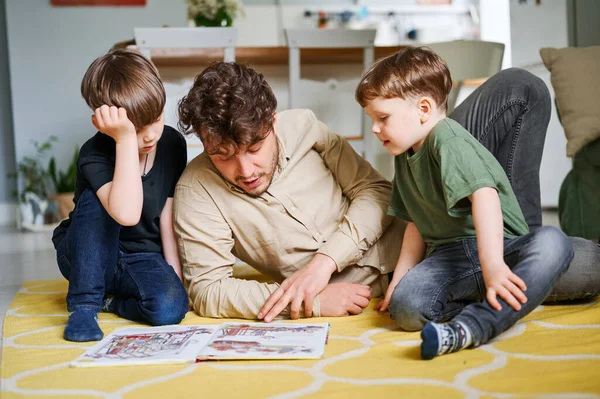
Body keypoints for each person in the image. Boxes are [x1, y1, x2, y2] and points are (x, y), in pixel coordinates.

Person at [173, 61, 600, 323]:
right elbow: (209, 291)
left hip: (425, 199)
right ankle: (519, 249)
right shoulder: (197, 190)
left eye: (254, 148)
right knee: (585, 267)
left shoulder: (302, 125)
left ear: (271, 120)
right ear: (204, 144)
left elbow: (377, 192)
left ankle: (514, 238)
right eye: (223, 154)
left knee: (519, 87)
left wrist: (325, 262)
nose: (244, 169)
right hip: (432, 264)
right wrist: (314, 301)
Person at [356, 47, 574, 360]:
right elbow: (415, 223)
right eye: (372, 119)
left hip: (503, 245)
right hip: (450, 257)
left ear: (424, 108)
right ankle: (492, 299)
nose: (375, 128)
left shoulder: (448, 139)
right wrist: (400, 280)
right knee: (406, 309)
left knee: (554, 244)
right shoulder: (403, 155)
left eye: (383, 118)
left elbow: (485, 196)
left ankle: (471, 327)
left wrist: (494, 265)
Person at [52, 49, 189, 342]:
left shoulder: (172, 144)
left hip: (139, 256)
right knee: (98, 199)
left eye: (155, 119)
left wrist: (174, 274)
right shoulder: (94, 153)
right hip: (86, 255)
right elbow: (126, 212)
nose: (151, 135)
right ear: (105, 124)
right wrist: (124, 139)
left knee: (170, 308)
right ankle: (84, 305)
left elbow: (167, 214)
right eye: (138, 129)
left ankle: (109, 301)